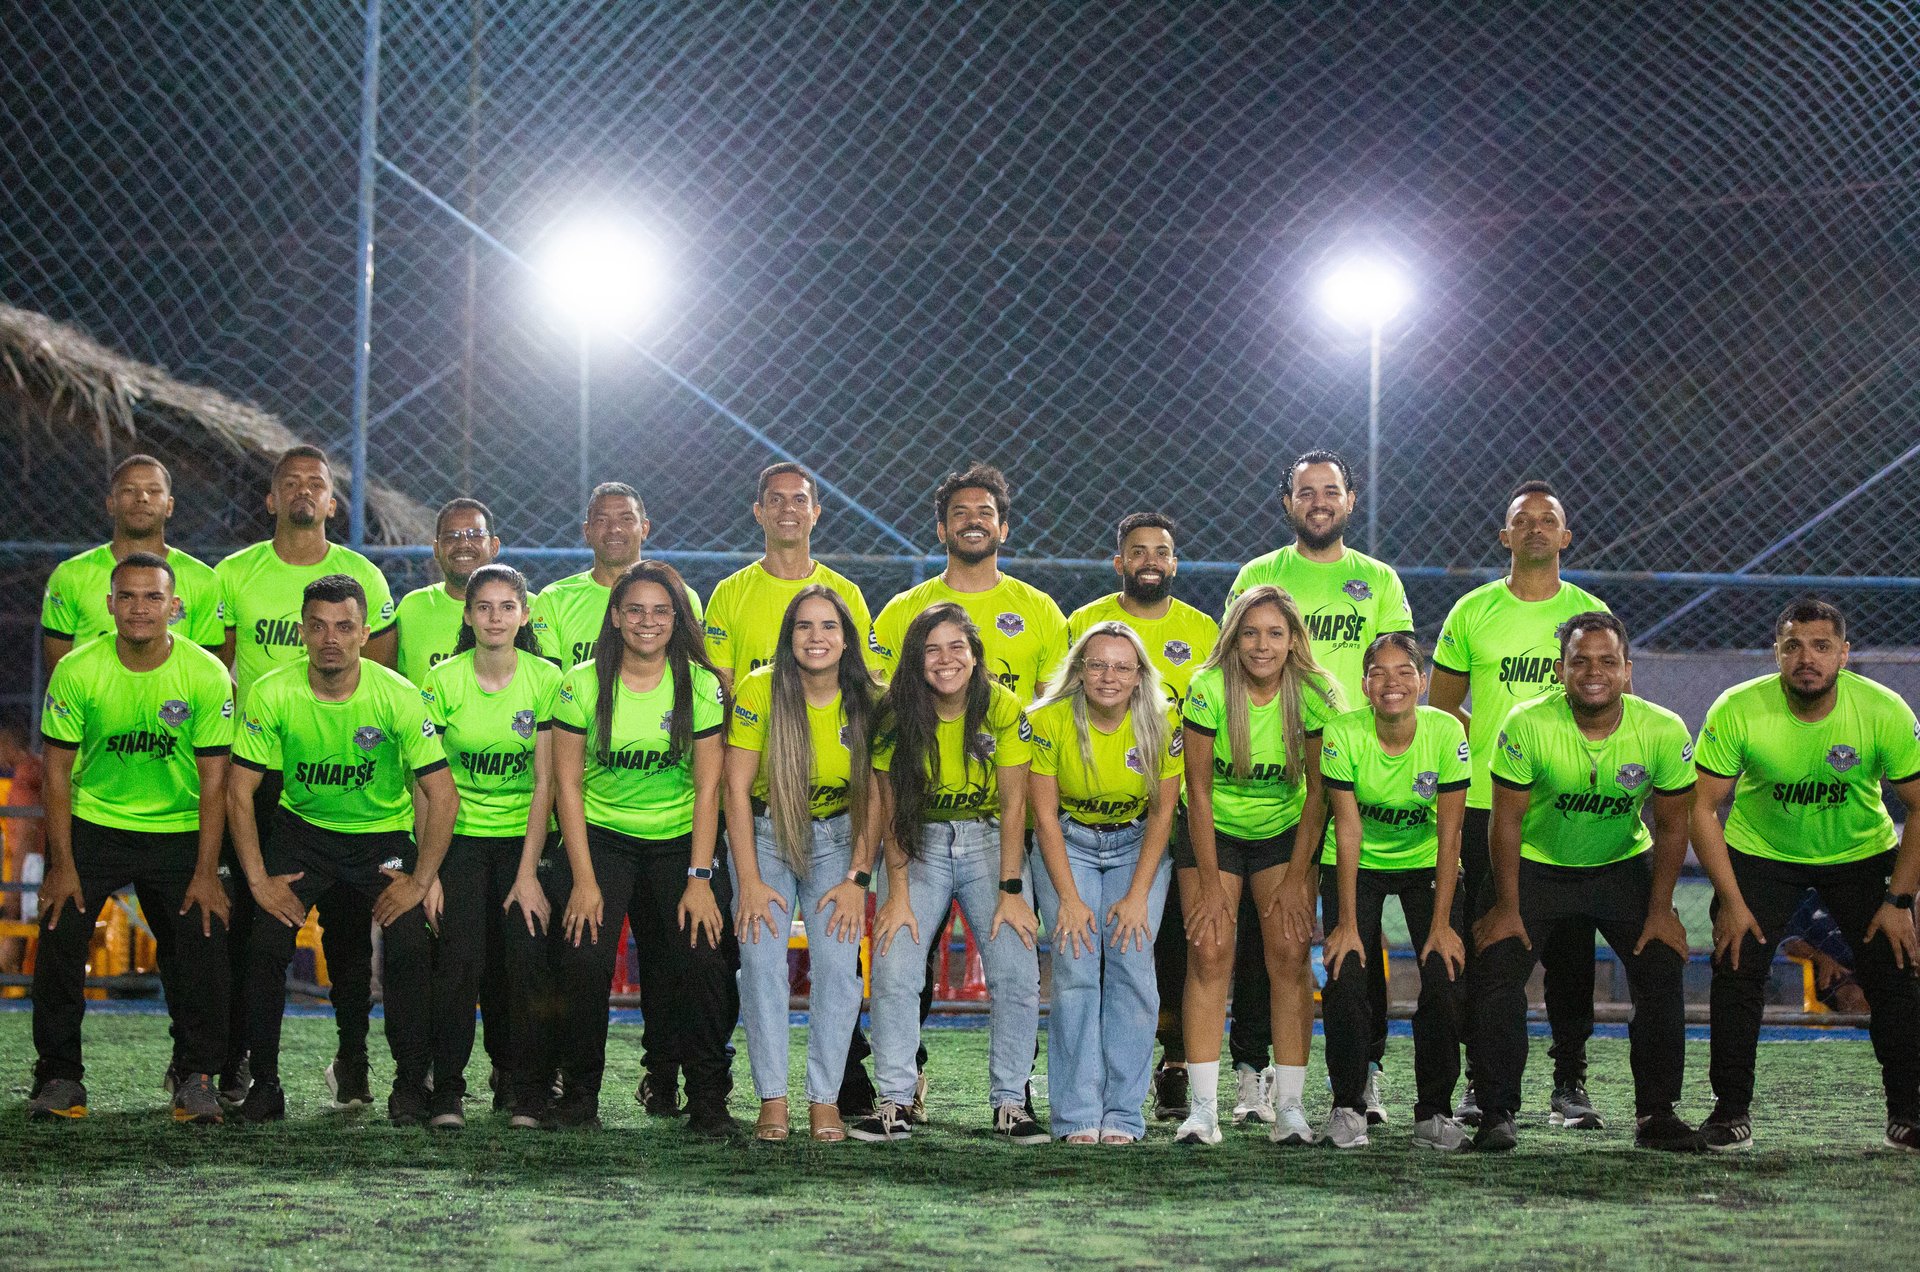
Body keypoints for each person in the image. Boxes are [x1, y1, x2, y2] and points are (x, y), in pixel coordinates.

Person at [1691, 598, 1920, 1153]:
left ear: (1843, 654)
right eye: (1793, 646)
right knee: (1736, 964)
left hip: (1860, 854)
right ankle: (1730, 1113)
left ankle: (1909, 1115)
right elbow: (1701, 809)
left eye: (1821, 647)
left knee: (1896, 974)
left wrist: (1900, 900)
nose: (1806, 659)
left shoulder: (1883, 711)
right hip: (1761, 852)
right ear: (1777, 653)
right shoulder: (1738, 708)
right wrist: (1731, 900)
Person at [1468, 612, 1703, 1152]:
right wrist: (1506, 905)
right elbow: (1504, 821)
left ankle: (1656, 1115)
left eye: (1606, 661)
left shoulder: (1663, 729)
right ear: (1560, 669)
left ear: (1627, 671)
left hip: (1621, 865)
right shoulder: (1527, 723)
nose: (1593, 671)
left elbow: (1671, 824)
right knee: (1497, 967)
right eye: (1580, 661)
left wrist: (1662, 909)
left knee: (1662, 966)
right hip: (1538, 864)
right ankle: (1496, 1111)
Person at [226, 575, 456, 1125]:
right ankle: (265, 1084)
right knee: (263, 943)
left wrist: (420, 881)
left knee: (407, 942)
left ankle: (407, 1083)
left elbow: (441, 795)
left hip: (380, 838)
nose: (331, 638)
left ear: (364, 632)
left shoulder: (398, 694)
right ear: (302, 632)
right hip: (304, 833)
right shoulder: (273, 692)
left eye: (344, 626)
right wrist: (258, 882)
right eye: (318, 626)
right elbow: (238, 791)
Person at [1227, 450, 1412, 1126]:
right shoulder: (1259, 576)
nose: (1318, 501)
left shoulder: (1379, 580)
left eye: (1330, 491)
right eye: (1305, 492)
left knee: (1353, 928)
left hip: (1351, 775)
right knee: (1262, 928)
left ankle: (1363, 1071)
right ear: (1288, 504)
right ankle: (1253, 1072)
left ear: (1350, 501)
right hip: (1270, 774)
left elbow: (1395, 674)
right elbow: (1233, 668)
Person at [213, 444, 398, 1109]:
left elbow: (374, 676)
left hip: (346, 787)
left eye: (315, 483)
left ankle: (353, 1061)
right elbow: (217, 674)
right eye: (288, 482)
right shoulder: (233, 575)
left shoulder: (365, 578)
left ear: (332, 502)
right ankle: (238, 1066)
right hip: (261, 779)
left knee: (350, 931)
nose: (301, 490)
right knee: (254, 922)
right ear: (270, 499)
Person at [26, 553, 234, 1124]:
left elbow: (215, 781)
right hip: (96, 825)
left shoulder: (206, 674)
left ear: (175, 607)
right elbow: (56, 772)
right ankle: (60, 1077)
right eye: (129, 597)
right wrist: (63, 864)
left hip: (179, 828)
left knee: (203, 935)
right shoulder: (77, 670)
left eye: (153, 598)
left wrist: (206, 868)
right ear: (110, 605)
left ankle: (195, 1076)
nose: (140, 608)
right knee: (61, 930)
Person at [1429, 479, 1607, 1128]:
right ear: (1504, 537)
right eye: (1521, 519)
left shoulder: (1591, 614)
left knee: (1571, 947)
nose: (1534, 527)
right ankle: (1484, 1079)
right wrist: (1490, 739)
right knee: (1491, 943)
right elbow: (1442, 709)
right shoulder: (1472, 612)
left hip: (1567, 808)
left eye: (1547, 519)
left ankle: (1570, 1081)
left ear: (1565, 537)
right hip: (1484, 802)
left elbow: (1607, 706)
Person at [529, 481, 699, 1115]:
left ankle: (665, 1076)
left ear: (645, 525)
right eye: (601, 519)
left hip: (671, 823)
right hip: (585, 814)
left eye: (625, 518)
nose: (613, 528)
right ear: (585, 530)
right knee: (578, 956)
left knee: (673, 959)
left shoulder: (684, 603)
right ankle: (572, 1086)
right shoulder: (554, 604)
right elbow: (553, 700)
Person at [549, 560, 736, 1136]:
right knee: (584, 956)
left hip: (682, 838)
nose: (647, 621)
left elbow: (709, 788)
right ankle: (580, 1095)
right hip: (602, 838)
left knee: (703, 956)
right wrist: (583, 879)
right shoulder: (579, 684)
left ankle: (704, 1097)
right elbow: (568, 787)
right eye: (635, 610)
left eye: (661, 611)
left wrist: (700, 878)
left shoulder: (699, 685)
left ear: (677, 619)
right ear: (615, 616)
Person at [859, 603, 1043, 1144]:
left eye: (956, 647)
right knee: (895, 962)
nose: (945, 659)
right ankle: (893, 1099)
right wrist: (895, 893)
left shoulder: (1003, 707)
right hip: (921, 844)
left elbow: (1014, 805)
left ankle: (1011, 1102)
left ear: (975, 654)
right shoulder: (895, 713)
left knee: (1015, 970)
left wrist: (1012, 890)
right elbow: (891, 809)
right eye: (932, 649)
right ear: (916, 659)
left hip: (990, 840)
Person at [1173, 584, 1340, 1146]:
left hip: (1283, 833)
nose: (1261, 645)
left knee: (1291, 954)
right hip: (1211, 829)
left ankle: (1290, 1109)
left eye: (1274, 633)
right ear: (1234, 637)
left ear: (1293, 640)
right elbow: (1195, 788)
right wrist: (1213, 886)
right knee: (1209, 948)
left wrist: (1298, 878)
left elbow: (1319, 793)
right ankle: (1203, 1111)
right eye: (1250, 633)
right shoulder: (1208, 687)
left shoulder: (1315, 694)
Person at [1066, 513, 1219, 1121]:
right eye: (1137, 551)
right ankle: (1089, 1081)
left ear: (1175, 563)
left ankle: (1175, 1064)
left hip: (1181, 806)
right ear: (1118, 562)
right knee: (1100, 953)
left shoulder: (1201, 629)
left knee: (1175, 945)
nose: (1150, 560)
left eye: (1161, 551)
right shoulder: (1086, 622)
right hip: (1105, 808)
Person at [723, 586, 880, 1142]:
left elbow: (876, 798)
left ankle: (824, 1099)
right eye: (804, 627)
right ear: (789, 638)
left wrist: (859, 878)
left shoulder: (868, 698)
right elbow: (735, 788)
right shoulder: (760, 689)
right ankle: (772, 1098)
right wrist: (749, 880)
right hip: (767, 834)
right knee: (761, 964)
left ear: (846, 638)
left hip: (840, 838)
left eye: (828, 627)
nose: (817, 638)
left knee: (839, 971)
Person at [1310, 632, 1470, 1150]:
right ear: (1364, 684)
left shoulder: (1447, 733)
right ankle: (1348, 1106)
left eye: (1404, 671)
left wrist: (1443, 925)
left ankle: (1434, 1113)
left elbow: (1450, 836)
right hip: (1357, 862)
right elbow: (1349, 829)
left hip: (1426, 860)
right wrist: (1349, 925)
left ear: (1422, 682)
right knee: (1346, 972)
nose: (1391, 682)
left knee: (1445, 972)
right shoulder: (1342, 733)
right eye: (1378, 672)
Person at [418, 564, 562, 1130]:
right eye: (484, 607)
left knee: (527, 962)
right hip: (458, 842)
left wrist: (528, 873)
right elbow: (427, 784)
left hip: (524, 841)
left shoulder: (547, 680)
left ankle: (526, 1092)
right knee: (458, 965)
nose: (495, 617)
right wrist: (426, 872)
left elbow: (547, 785)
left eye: (507, 607)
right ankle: (448, 1093)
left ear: (524, 615)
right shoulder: (442, 681)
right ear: (468, 614)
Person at [1026, 622, 1180, 1144]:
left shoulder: (1162, 720)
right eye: (1096, 664)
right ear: (1079, 671)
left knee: (1133, 967)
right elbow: (1043, 816)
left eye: (1121, 666)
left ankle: (1123, 1113)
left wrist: (1138, 896)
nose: (1108, 676)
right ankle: (1075, 1114)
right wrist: (1068, 899)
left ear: (1139, 676)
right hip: (1069, 843)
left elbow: (1163, 814)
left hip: (1136, 845)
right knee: (1074, 966)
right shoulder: (1048, 720)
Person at [41, 453, 222, 669]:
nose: (142, 497)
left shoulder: (203, 580)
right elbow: (59, 672)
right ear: (111, 504)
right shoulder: (71, 575)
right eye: (129, 490)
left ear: (169, 506)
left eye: (154, 491)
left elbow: (206, 671)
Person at [704, 463, 871, 690]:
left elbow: (868, 681)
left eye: (800, 500)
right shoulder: (728, 593)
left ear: (815, 514)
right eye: (776, 500)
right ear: (758, 512)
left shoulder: (847, 593)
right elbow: (717, 690)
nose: (788, 508)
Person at [395, 498, 502, 687]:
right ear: (436, 549)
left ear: (494, 546)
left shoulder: (526, 608)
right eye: (451, 537)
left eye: (475, 534)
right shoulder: (411, 608)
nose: (463, 544)